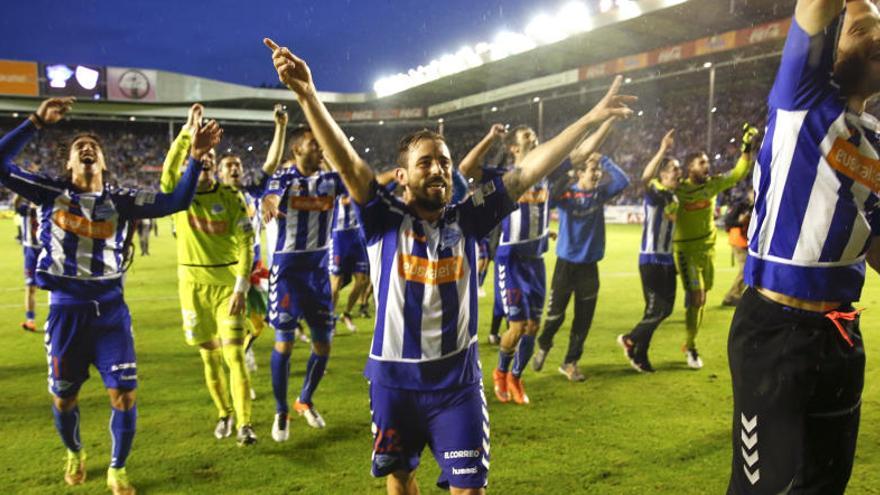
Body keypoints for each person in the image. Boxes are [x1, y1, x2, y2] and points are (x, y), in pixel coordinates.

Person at [264, 37, 635, 494]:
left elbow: (529, 172)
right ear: (402, 177)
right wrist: (307, 95)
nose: (438, 169)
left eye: (443, 161)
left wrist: (589, 120)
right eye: (425, 164)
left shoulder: (470, 216)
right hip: (393, 381)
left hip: (457, 385)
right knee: (401, 479)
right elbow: (347, 162)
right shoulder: (382, 218)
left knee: (470, 489)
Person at [0, 97, 218, 495]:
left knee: (124, 394)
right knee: (65, 399)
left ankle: (118, 468)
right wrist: (35, 121)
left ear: (102, 162)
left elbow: (176, 201)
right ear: (69, 164)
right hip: (66, 314)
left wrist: (197, 157)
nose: (87, 149)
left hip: (111, 315)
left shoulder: (122, 201)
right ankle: (75, 451)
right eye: (78, 147)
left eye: (93, 148)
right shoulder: (50, 192)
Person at [728, 1, 880, 493]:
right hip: (775, 334)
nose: (878, 36)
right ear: (827, 54)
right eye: (862, 29)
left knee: (824, 486)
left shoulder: (876, 146)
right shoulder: (803, 96)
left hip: (840, 332)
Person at [161, 103, 258, 446]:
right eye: (200, 159)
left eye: (210, 160)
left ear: (214, 166)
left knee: (233, 355)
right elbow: (168, 173)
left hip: (226, 290)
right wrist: (186, 134)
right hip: (191, 288)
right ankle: (224, 413)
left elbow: (248, 243)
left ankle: (245, 424)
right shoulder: (178, 197)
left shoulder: (232, 197)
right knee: (210, 358)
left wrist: (242, 287)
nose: (206, 163)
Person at [263, 126, 346, 439]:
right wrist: (269, 203)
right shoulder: (285, 178)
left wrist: (395, 176)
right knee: (283, 343)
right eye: (314, 144)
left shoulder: (331, 181)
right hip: (287, 273)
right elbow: (270, 194)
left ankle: (304, 400)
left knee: (324, 344)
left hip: (319, 273)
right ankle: (281, 410)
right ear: (297, 149)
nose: (319, 148)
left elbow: (362, 183)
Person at [531, 119, 628, 382]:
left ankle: (570, 362)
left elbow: (624, 180)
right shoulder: (566, 196)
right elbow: (550, 194)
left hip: (589, 267)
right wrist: (570, 171)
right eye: (592, 169)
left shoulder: (600, 194)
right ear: (580, 173)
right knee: (554, 316)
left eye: (597, 170)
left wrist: (603, 159)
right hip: (566, 265)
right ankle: (544, 344)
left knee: (583, 320)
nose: (596, 174)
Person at [672, 123, 757, 369]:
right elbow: (653, 184)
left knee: (702, 297)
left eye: (707, 162)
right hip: (685, 251)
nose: (707, 166)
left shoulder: (712, 185)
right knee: (696, 296)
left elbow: (738, 173)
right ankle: (691, 345)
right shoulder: (679, 189)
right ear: (689, 168)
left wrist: (746, 147)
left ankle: (690, 339)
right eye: (702, 163)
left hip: (707, 251)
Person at [217, 104, 288, 378]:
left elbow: (270, 165)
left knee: (259, 324)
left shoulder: (251, 191)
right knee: (232, 322)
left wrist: (280, 127)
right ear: (220, 173)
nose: (234, 168)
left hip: (255, 268)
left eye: (237, 164)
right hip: (228, 270)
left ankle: (244, 350)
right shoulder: (214, 197)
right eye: (228, 166)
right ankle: (236, 371)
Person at [617, 130, 681, 373]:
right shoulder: (655, 192)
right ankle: (631, 341)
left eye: (678, 169)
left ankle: (638, 353)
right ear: (662, 174)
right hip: (651, 260)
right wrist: (663, 150)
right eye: (673, 169)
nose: (678, 172)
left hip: (667, 260)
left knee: (664, 310)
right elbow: (644, 178)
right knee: (656, 310)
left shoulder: (674, 195)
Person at [329, 191, 370, 332]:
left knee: (362, 280)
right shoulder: (338, 184)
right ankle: (330, 318)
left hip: (357, 239)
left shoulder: (356, 183)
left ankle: (346, 314)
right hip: (339, 239)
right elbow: (345, 201)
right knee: (336, 283)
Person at [12, 187, 40, 332]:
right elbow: (15, 203)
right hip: (30, 251)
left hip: (46, 251)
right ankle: (30, 320)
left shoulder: (47, 207)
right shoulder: (25, 210)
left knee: (56, 286)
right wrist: (21, 187)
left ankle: (59, 320)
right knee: (30, 287)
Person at [720, 187, 753, 306]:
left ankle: (734, 295)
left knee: (748, 269)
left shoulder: (754, 206)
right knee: (745, 269)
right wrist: (740, 222)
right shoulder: (741, 205)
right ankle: (731, 296)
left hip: (746, 241)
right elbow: (728, 221)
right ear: (749, 193)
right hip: (738, 240)